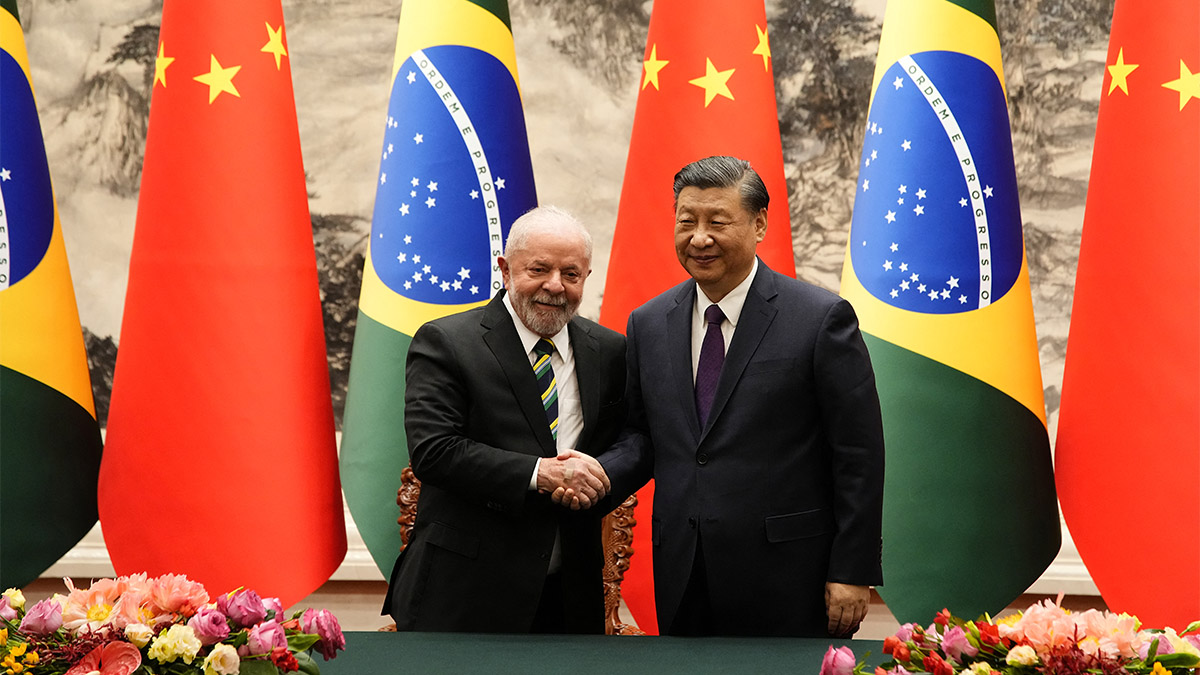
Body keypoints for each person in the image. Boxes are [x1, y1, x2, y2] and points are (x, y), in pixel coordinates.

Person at [591, 155, 885, 637]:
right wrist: (595, 475)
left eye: (717, 222)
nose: (699, 237)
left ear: (760, 223)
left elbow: (858, 453)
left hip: (789, 574)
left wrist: (851, 569)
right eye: (687, 221)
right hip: (683, 570)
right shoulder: (649, 322)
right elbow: (644, 435)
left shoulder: (819, 318)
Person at [384, 205, 625, 633]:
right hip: (464, 593)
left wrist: (598, 475)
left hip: (570, 597)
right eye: (539, 269)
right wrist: (540, 474)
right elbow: (434, 451)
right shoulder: (447, 342)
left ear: (586, 278)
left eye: (571, 274)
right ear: (505, 269)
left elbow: (634, 440)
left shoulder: (611, 350)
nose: (555, 286)